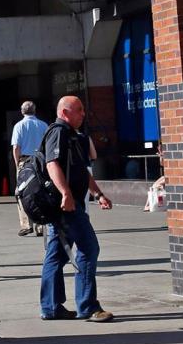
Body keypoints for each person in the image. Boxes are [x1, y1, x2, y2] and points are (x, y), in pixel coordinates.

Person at [39, 95, 114, 323]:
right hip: (67, 206)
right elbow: (52, 164)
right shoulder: (58, 132)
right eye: (79, 110)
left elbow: (82, 171)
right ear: (65, 113)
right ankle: (88, 306)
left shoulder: (73, 135)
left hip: (69, 204)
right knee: (89, 248)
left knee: (56, 254)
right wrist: (66, 193)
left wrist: (98, 193)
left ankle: (51, 307)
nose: (83, 114)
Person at [11, 101, 49, 236]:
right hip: (40, 161)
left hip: (25, 161)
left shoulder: (19, 126)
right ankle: (40, 225)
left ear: (22, 111)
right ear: (35, 110)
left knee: (22, 192)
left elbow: (16, 147)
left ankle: (26, 224)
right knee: (40, 191)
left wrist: (17, 164)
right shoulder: (44, 125)